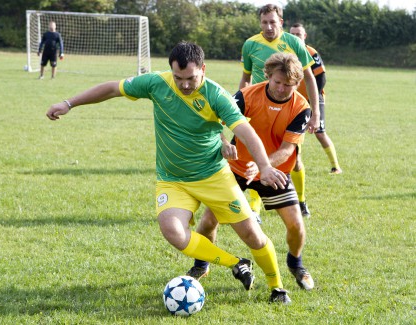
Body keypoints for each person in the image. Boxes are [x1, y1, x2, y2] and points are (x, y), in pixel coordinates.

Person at [46, 41, 291, 304]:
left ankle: (276, 287)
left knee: (252, 235)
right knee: (173, 231)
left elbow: (245, 131)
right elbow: (112, 88)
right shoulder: (156, 83)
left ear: (203, 69)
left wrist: (264, 166)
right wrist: (69, 103)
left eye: (191, 78)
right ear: (170, 71)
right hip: (172, 180)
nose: (185, 84)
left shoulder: (216, 95)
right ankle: (236, 263)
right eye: (178, 78)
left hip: (213, 177)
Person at [187, 52, 315, 291]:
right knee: (207, 221)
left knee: (296, 225)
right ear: (268, 77)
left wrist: (263, 164)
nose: (281, 89)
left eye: (288, 85)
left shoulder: (301, 107)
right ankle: (201, 264)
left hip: (273, 171)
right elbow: (214, 122)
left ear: (297, 83)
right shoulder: (246, 95)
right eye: (277, 82)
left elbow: (287, 150)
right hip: (236, 168)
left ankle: (295, 263)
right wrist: (224, 142)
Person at [240, 4, 320, 218]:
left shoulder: (293, 42)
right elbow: (246, 78)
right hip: (257, 109)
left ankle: (301, 201)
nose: (268, 27)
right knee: (256, 155)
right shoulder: (250, 44)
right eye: (264, 22)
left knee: (294, 160)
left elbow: (310, 78)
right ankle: (254, 209)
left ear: (281, 22)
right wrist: (237, 107)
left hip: (288, 109)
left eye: (272, 22)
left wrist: (316, 113)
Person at [290, 23, 342, 176]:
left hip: (314, 98)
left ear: (304, 36)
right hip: (294, 99)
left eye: (298, 34)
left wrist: (311, 99)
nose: (295, 37)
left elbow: (321, 78)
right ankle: (294, 165)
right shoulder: (287, 53)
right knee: (293, 132)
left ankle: (335, 166)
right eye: (292, 34)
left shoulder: (311, 52)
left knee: (319, 132)